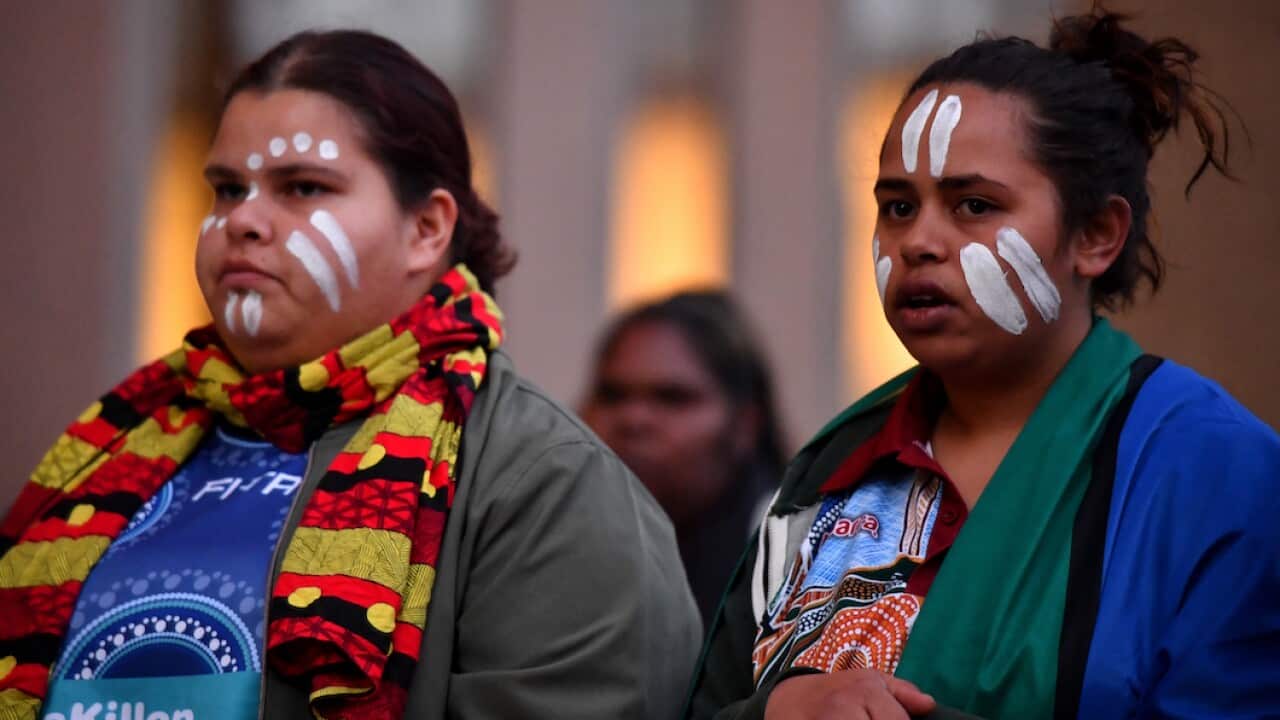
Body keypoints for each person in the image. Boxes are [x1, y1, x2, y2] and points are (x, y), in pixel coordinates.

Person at [0, 30, 700, 720]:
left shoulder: (545, 484)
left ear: (426, 228)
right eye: (225, 188)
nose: (244, 219)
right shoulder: (117, 446)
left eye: (303, 187)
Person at [687, 7, 1279, 720]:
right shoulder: (840, 465)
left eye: (973, 204)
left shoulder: (1215, 471)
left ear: (1096, 235)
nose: (918, 242)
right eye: (897, 207)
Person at [582, 291, 785, 628]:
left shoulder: (796, 560)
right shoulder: (552, 542)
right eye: (612, 395)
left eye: (672, 398)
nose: (634, 420)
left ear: (745, 424)